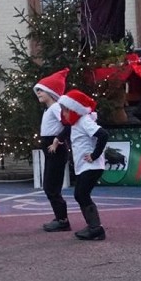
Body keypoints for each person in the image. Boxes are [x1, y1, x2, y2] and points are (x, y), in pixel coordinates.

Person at [57, 90, 108, 241]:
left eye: (65, 110)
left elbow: (103, 134)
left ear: (73, 109)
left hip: (91, 166)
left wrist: (95, 155)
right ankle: (93, 227)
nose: (63, 114)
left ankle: (96, 228)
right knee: (80, 194)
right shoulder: (76, 123)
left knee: (81, 194)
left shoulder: (84, 120)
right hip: (84, 166)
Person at [33, 69, 72, 232]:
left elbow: (68, 125)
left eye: (41, 90)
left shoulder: (56, 108)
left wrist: (58, 140)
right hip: (50, 150)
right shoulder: (49, 109)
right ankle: (60, 217)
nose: (38, 93)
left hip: (56, 150)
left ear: (51, 92)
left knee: (51, 186)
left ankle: (63, 220)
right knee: (50, 186)